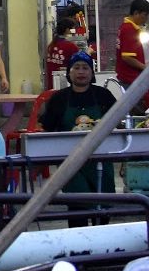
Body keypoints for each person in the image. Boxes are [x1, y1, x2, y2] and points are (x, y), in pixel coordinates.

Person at [37, 51, 117, 192]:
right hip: (69, 160)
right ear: (69, 72)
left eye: (85, 68)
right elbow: (47, 128)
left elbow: (117, 122)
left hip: (100, 157)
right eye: (76, 67)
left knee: (106, 200)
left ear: (92, 73)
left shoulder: (104, 96)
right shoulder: (59, 99)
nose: (81, 72)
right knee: (79, 200)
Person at [116, 0, 149, 92]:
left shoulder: (125, 26)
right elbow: (127, 57)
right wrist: (145, 68)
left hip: (128, 77)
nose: (146, 19)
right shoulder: (129, 29)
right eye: (145, 15)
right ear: (136, 13)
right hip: (130, 78)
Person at [43, 18, 80, 90]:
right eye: (72, 29)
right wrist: (88, 52)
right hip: (64, 85)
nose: (74, 31)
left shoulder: (51, 46)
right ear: (67, 30)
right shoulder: (71, 46)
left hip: (50, 85)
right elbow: (80, 62)